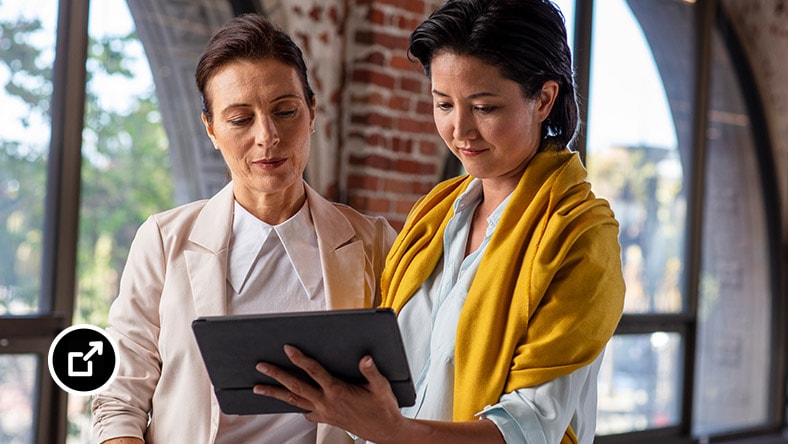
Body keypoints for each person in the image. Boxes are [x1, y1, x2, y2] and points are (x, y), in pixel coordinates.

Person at [253, 0, 626, 443]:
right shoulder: (435, 215)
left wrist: (395, 431)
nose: (460, 130)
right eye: (443, 104)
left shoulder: (580, 236)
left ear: (544, 99)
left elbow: (528, 428)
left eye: (484, 108)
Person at [91, 13, 396, 444]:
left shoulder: (375, 243)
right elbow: (120, 395)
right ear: (211, 130)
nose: (267, 136)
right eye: (240, 119)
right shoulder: (162, 241)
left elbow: (404, 395)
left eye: (285, 110)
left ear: (311, 112)